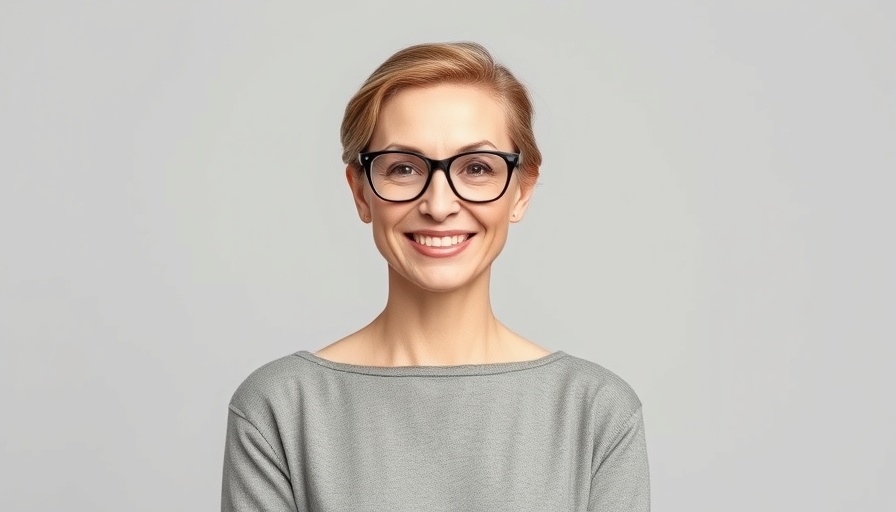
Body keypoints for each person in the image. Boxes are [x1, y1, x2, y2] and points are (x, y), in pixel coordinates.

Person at [221, 41, 650, 511]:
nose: (440, 205)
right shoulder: (280, 408)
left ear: (521, 191)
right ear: (360, 192)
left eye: (477, 168)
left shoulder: (595, 412)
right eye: (404, 168)